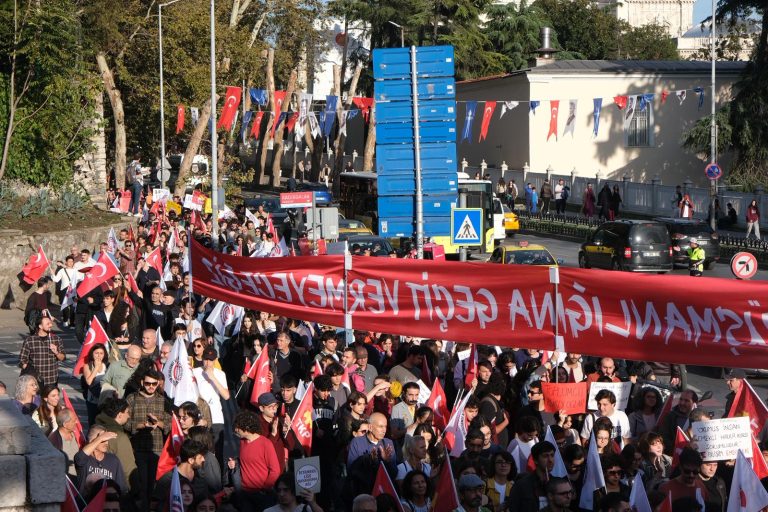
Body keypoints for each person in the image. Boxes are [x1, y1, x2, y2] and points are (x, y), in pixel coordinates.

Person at [124, 368, 171, 509]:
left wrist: (159, 424)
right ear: (142, 382)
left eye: (154, 384)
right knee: (141, 485)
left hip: (157, 448)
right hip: (137, 448)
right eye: (148, 383)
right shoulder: (132, 398)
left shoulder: (163, 401)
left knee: (153, 486)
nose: (151, 387)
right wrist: (141, 425)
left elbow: (170, 425)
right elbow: (124, 422)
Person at [229, 410, 282, 511]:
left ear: (247, 427)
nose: (235, 430)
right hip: (244, 494)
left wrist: (264, 488)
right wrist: (234, 463)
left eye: (238, 427)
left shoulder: (265, 444)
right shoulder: (241, 443)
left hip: (263, 495)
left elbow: (275, 470)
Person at [151, 439, 209, 511]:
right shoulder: (168, 479)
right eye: (200, 457)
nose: (203, 459)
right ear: (190, 460)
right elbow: (154, 505)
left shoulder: (200, 479)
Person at [74, 425, 127, 497]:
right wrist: (100, 438)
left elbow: (121, 488)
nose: (106, 443)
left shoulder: (113, 460)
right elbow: (79, 459)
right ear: (91, 440)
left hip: (106, 505)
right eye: (103, 440)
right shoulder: (84, 459)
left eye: (107, 440)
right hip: (87, 505)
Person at [506, 441, 556, 511]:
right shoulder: (521, 485)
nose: (550, 460)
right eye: (545, 456)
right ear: (535, 460)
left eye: (552, 455)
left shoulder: (557, 484)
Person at [19, 315, 65, 387]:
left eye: (50, 323)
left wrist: (56, 352)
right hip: (35, 380)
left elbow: (63, 358)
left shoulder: (56, 339)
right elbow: (22, 360)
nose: (51, 325)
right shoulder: (30, 340)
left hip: (51, 379)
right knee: (36, 398)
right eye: (47, 324)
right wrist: (31, 373)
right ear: (40, 326)